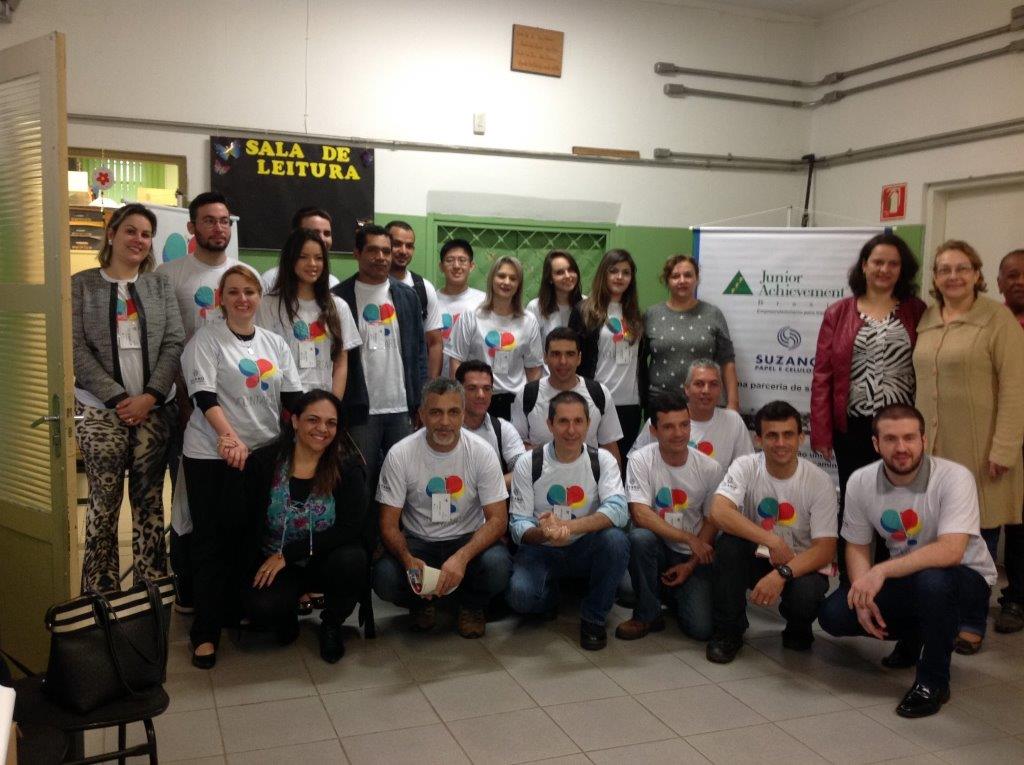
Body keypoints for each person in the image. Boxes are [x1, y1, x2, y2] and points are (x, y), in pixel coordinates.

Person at [819, 405, 996, 718]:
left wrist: (881, 571)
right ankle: (916, 635)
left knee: (933, 581)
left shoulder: (954, 477)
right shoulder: (861, 480)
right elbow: (857, 545)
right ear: (876, 444)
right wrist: (862, 592)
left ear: (923, 441)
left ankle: (933, 682)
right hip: (909, 576)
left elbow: (951, 551)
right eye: (890, 439)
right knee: (835, 614)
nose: (901, 447)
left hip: (966, 578)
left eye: (909, 438)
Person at [181, 265, 303, 668]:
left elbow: (293, 398)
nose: (242, 299)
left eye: (249, 291)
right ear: (221, 298)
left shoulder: (274, 343)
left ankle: (239, 611)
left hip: (262, 454)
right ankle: (205, 632)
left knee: (251, 535)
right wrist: (229, 438)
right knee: (211, 542)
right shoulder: (207, 339)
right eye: (233, 292)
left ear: (259, 297)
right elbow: (204, 395)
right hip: (212, 455)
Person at [913, 240, 1024, 653]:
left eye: (962, 268)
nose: (953, 276)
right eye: (944, 269)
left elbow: (1016, 388)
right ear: (935, 277)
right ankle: (938, 611)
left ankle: (972, 621)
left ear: (977, 274)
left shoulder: (997, 320)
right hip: (933, 453)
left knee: (977, 541)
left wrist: (1004, 449)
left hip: (980, 452)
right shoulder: (927, 319)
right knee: (935, 534)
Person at [72, 203, 185, 593]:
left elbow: (174, 342)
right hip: (99, 411)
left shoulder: (159, 286)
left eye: (146, 234)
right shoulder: (80, 285)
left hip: (155, 410)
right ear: (112, 234)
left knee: (150, 500)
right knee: (103, 503)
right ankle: (99, 594)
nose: (139, 239)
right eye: (131, 231)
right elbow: (76, 348)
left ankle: (150, 593)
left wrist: (149, 397)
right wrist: (119, 397)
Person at [158, 191, 259, 613]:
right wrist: (183, 400)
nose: (218, 228)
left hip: (236, 410)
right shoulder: (170, 274)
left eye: (224, 221)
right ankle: (187, 586)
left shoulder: (244, 273)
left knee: (230, 507)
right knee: (187, 501)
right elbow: (165, 342)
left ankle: (230, 591)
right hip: (185, 402)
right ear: (192, 227)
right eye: (209, 220)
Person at [811, 233, 926, 578]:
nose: (884, 269)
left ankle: (894, 578)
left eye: (893, 263)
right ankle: (854, 583)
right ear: (864, 265)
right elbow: (823, 375)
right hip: (854, 426)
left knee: (901, 503)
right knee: (855, 503)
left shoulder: (917, 311)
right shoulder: (838, 312)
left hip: (902, 430)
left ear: (902, 270)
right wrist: (821, 431)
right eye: (878, 262)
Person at [373, 379, 511, 638]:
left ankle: (471, 606)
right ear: (422, 414)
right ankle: (421, 604)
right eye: (436, 412)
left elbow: (498, 520)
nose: (445, 422)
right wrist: (407, 560)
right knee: (385, 578)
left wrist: (462, 557)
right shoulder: (400, 454)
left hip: (467, 539)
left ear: (463, 414)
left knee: (498, 565)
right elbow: (388, 524)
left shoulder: (482, 452)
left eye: (453, 412)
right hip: (418, 542)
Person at [240, 390, 369, 663]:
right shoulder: (265, 462)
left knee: (352, 560)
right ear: (295, 421)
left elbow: (349, 528)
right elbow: (246, 521)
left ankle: (332, 624)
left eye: (331, 423)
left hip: (324, 558)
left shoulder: (347, 467)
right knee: (261, 607)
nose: (322, 429)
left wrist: (289, 554)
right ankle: (285, 613)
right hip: (274, 559)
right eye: (313, 420)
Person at [706, 401, 838, 663]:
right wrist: (772, 541)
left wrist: (782, 574)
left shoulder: (819, 481)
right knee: (729, 546)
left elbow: (825, 550)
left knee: (807, 592)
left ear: (801, 438)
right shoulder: (745, 466)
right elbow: (718, 511)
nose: (780, 443)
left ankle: (798, 627)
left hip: (798, 562)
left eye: (788, 435)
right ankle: (729, 630)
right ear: (759, 439)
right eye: (772, 436)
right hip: (757, 554)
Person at [506, 391, 629, 651]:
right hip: (542, 549)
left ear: (588, 424)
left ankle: (593, 617)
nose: (571, 430)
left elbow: (619, 511)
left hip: (585, 545)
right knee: (521, 597)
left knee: (616, 541)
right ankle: (552, 597)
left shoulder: (602, 460)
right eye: (563, 421)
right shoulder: (529, 463)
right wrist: (545, 533)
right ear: (550, 425)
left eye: (578, 421)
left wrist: (567, 527)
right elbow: (518, 525)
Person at [618, 393, 724, 641]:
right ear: (653, 430)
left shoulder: (710, 468)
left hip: (691, 555)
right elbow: (640, 514)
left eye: (684, 425)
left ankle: (668, 592)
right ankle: (647, 614)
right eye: (668, 427)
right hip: (658, 546)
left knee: (701, 629)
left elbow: (712, 521)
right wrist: (688, 538)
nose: (678, 433)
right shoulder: (640, 460)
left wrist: (690, 564)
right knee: (639, 540)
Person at [331, 224, 427, 490]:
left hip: (402, 409)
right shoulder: (339, 298)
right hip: (361, 412)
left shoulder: (407, 296)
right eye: (373, 250)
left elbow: (419, 352)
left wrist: (421, 401)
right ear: (357, 253)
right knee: (359, 484)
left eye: (386, 250)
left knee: (403, 484)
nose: (381, 257)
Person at [256, 229, 359, 397]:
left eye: (319, 258)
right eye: (303, 257)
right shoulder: (268, 305)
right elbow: (265, 359)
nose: (312, 264)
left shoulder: (338, 306)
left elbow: (341, 362)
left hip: (323, 403)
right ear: (290, 260)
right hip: (282, 402)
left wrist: (333, 404)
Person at [446, 256, 543, 419]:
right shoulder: (471, 316)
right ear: (492, 279)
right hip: (477, 400)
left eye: (513, 278)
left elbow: (533, 369)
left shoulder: (528, 320)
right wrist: (460, 400)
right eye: (501, 276)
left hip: (515, 402)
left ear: (519, 284)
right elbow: (456, 361)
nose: (506, 282)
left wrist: (529, 405)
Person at [511, 327, 622, 465]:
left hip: (587, 477)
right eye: (555, 354)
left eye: (570, 354)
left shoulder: (599, 393)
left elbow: (610, 448)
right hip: (542, 476)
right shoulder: (527, 395)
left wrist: (615, 478)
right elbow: (516, 447)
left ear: (579, 358)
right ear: (545, 357)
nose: (563, 361)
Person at [570, 249, 644, 456]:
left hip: (630, 403)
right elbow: (574, 357)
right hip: (596, 400)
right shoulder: (584, 310)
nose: (620, 277)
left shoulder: (635, 314)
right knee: (596, 463)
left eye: (626, 272)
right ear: (604, 273)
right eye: (613, 271)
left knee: (623, 464)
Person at [640, 255, 739, 410]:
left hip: (705, 402)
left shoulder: (713, 314)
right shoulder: (651, 315)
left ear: (696, 279)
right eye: (675, 276)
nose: (682, 280)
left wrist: (733, 404)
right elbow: (639, 361)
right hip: (661, 405)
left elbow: (727, 362)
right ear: (667, 281)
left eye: (688, 275)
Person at [629, 360, 754, 468]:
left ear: (720, 389)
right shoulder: (662, 419)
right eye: (699, 384)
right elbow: (635, 461)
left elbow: (747, 468)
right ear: (687, 388)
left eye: (713, 384)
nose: (706, 390)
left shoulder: (733, 421)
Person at [994, 248, 1024, 633]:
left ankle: (1017, 597)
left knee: (1020, 521)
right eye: (1012, 275)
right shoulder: (988, 322)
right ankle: (972, 597)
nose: (1020, 281)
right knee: (984, 519)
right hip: (993, 433)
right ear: (999, 282)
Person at [455, 360, 526, 489]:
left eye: (487, 389)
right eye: (472, 388)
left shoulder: (503, 429)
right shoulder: (444, 429)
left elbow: (522, 470)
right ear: (458, 392)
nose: (481, 395)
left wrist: (487, 489)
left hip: (493, 500)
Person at [387, 220, 444, 378]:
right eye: (397, 244)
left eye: (409, 246)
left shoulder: (423, 288)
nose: (403, 251)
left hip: (413, 379)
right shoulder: (371, 286)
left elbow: (434, 343)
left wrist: (430, 387)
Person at [261, 207, 341, 292]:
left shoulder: (333, 283)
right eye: (314, 233)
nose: (322, 239)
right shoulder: (269, 280)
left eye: (327, 234)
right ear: (294, 236)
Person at [435, 238, 485, 353]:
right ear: (441, 266)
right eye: (450, 260)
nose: (456, 266)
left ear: (471, 266)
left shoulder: (483, 301)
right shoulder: (431, 300)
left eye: (462, 260)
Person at [526, 250, 583, 344]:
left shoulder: (587, 304)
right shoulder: (535, 307)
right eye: (560, 272)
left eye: (571, 270)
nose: (567, 276)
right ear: (550, 278)